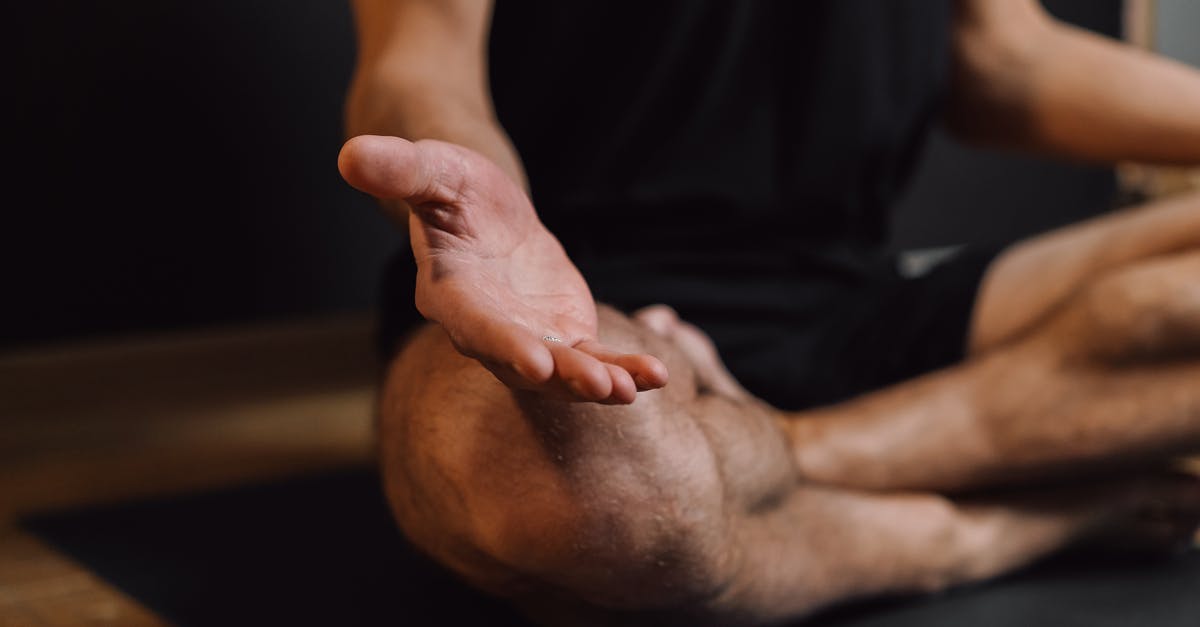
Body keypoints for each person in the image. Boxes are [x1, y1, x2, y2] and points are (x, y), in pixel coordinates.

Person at [337, 0, 1200, 624]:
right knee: (603, 507)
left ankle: (786, 449)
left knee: (663, 516)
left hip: (853, 294)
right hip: (577, 295)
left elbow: (999, 60)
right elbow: (418, 67)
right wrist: (487, 205)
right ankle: (979, 527)